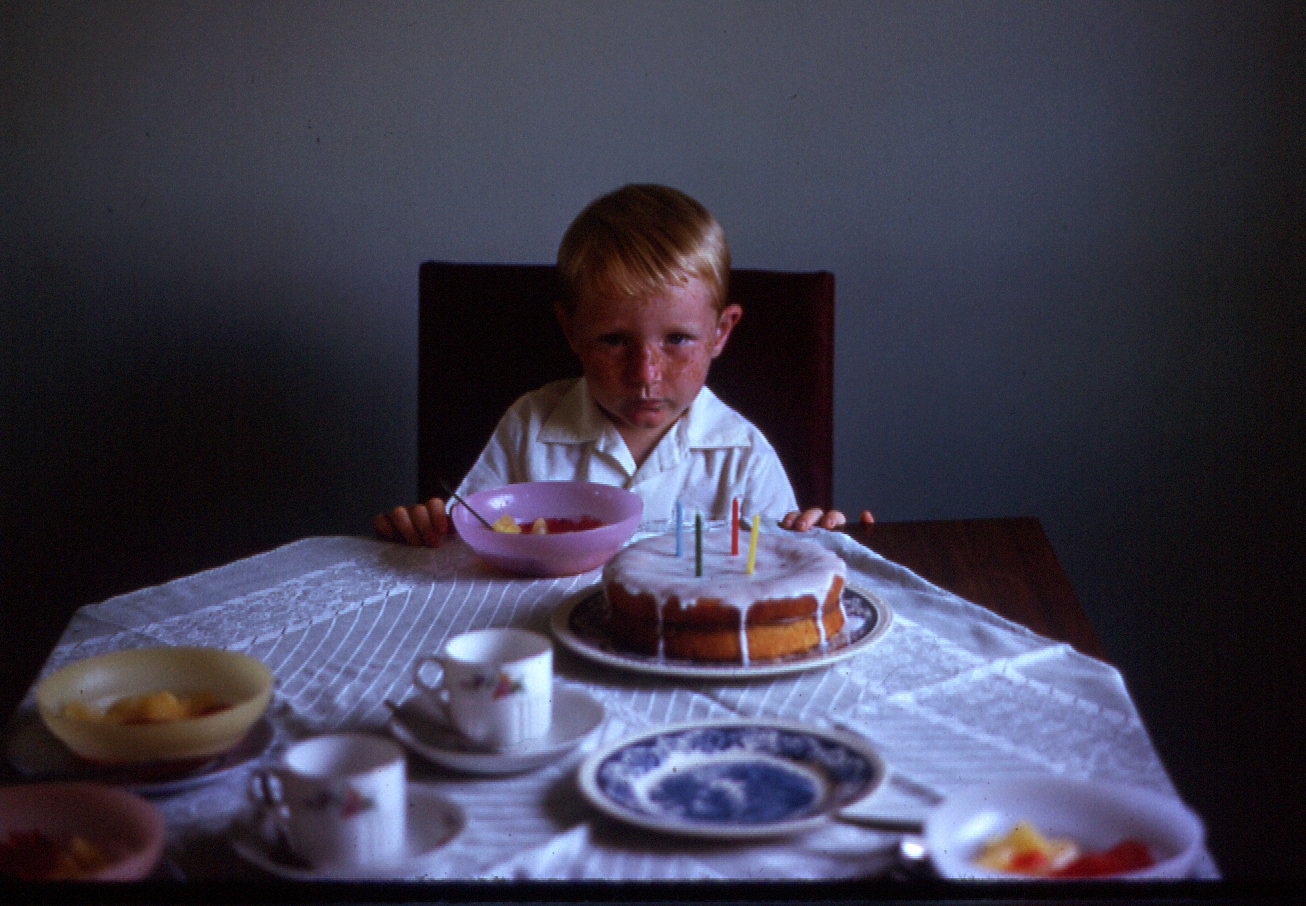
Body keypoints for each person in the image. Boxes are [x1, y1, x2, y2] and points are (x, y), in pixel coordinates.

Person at [374, 184, 870, 547]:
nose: (645, 374)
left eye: (676, 339)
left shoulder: (741, 455)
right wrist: (429, 531)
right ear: (572, 331)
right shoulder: (530, 427)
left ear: (720, 332)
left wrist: (815, 535)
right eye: (614, 340)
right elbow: (471, 542)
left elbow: (781, 563)